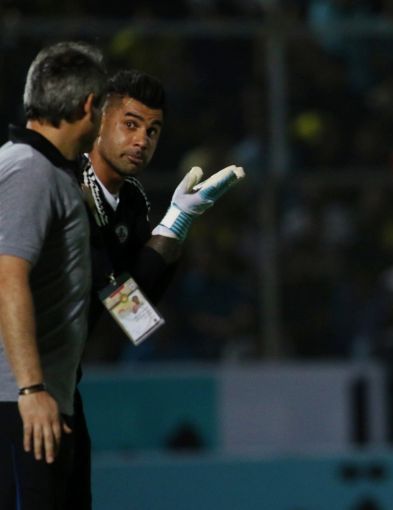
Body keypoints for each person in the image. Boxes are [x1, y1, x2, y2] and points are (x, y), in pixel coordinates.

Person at [69, 69, 245, 509]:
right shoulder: (65, 190)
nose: (141, 140)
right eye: (130, 124)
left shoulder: (130, 202)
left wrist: (179, 220)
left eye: (152, 130)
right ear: (100, 121)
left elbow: (136, 312)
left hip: (62, 383)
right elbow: (123, 305)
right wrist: (174, 223)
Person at [0, 41, 108, 509]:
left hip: (42, 400)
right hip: (21, 403)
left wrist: (171, 232)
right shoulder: (30, 172)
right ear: (89, 106)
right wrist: (30, 389)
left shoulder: (50, 173)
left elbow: (97, 284)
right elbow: (7, 277)